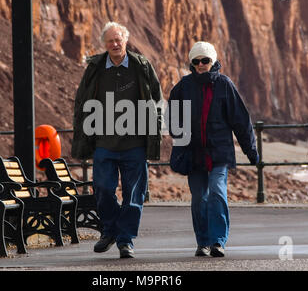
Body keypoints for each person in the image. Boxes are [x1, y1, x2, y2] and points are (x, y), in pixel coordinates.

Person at [71, 22, 162, 258]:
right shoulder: (95, 68)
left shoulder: (142, 66)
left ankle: (125, 240)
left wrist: (154, 130)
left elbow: (156, 100)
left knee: (134, 194)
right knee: (102, 189)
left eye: (118, 39)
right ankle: (109, 230)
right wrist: (82, 132)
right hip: (103, 143)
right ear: (104, 43)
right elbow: (82, 101)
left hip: (135, 144)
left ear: (126, 40)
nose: (114, 44)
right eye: (110, 40)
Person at [168, 41, 259, 257]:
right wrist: (180, 138)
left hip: (219, 153)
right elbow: (172, 116)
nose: (201, 64)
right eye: (196, 61)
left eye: (205, 60)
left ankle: (218, 241)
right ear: (192, 63)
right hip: (193, 154)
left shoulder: (225, 85)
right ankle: (203, 242)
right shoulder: (183, 86)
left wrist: (251, 150)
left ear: (213, 61)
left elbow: (240, 120)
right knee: (199, 197)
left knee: (217, 193)